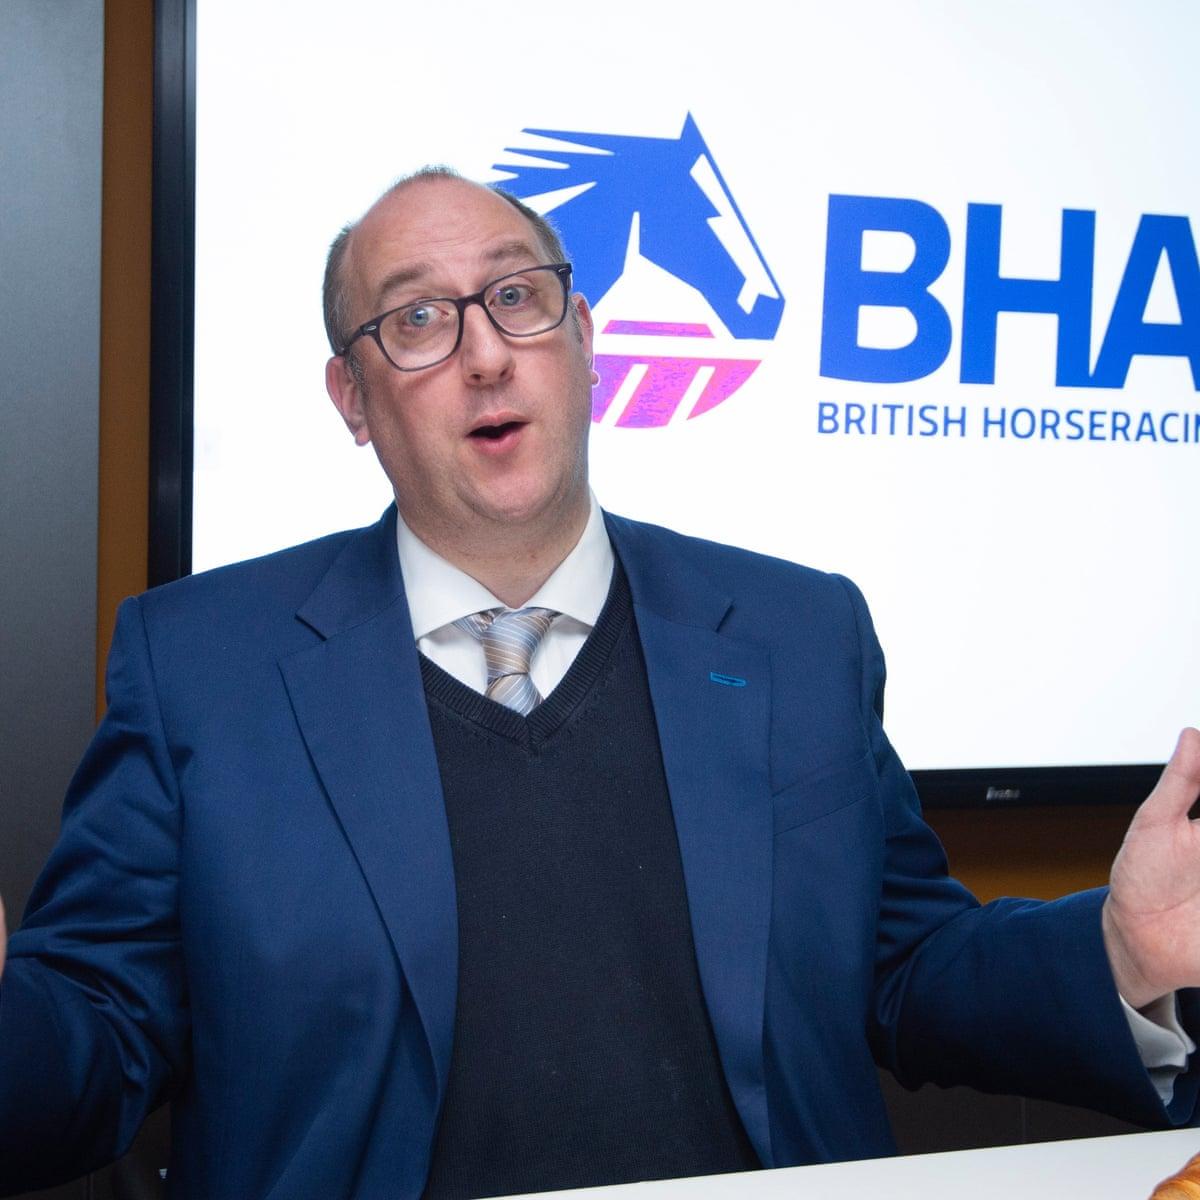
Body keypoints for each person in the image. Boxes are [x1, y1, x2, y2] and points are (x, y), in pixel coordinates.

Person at [0, 168, 1198, 1200]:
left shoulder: (800, 634)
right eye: (416, 321)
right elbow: (97, 1040)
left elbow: (905, 973)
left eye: (516, 299)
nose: (484, 356)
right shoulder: (200, 667)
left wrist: (1116, 953)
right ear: (353, 400)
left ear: (582, 338)